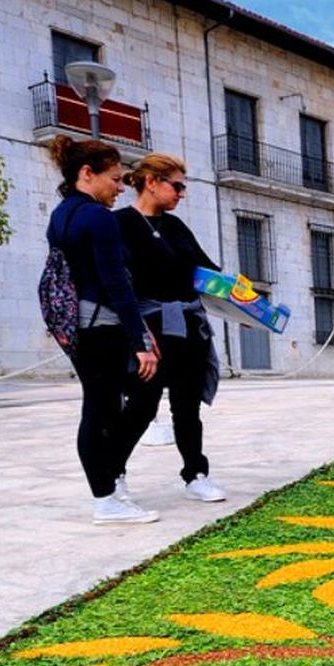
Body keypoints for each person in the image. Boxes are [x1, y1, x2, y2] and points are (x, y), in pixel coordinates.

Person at [46, 135, 159, 523]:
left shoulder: (61, 214)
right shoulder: (98, 217)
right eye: (114, 179)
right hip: (101, 324)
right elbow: (116, 282)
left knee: (100, 406)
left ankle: (108, 489)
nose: (120, 187)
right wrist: (140, 339)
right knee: (104, 408)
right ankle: (107, 497)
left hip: (77, 324)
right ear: (87, 174)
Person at [118, 153, 225, 502]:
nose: (181, 193)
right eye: (176, 186)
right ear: (151, 182)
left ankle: (195, 474)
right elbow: (118, 283)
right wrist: (137, 337)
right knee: (142, 406)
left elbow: (208, 273)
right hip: (149, 331)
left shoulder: (177, 227)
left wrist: (246, 305)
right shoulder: (121, 224)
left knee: (187, 406)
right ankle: (113, 474)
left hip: (188, 329)